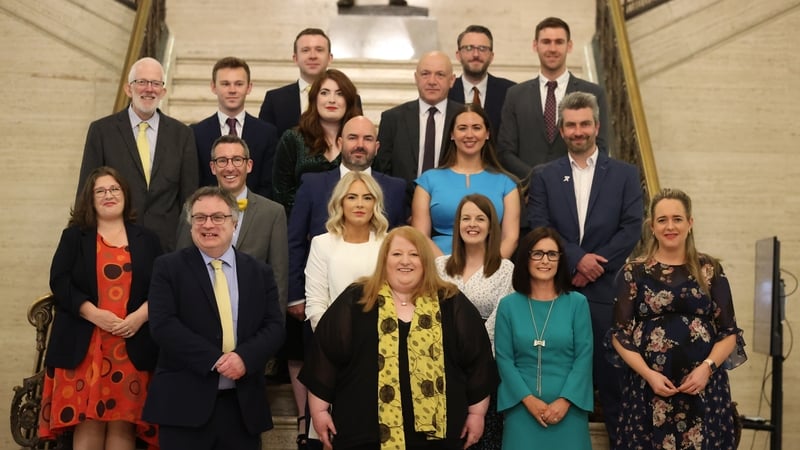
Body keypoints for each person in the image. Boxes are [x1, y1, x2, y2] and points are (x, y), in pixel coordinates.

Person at [299, 226, 497, 450]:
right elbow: (325, 355)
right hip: (363, 433)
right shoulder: (357, 299)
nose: (406, 261)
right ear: (384, 259)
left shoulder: (451, 301)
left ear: (426, 261)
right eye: (397, 254)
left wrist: (477, 413)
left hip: (439, 437)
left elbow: (478, 360)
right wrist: (319, 411)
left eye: (414, 255)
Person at [527, 91, 642, 447]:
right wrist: (577, 260)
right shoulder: (545, 175)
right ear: (561, 130)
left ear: (597, 126)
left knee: (612, 385)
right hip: (557, 290)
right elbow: (539, 225)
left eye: (585, 124)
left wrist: (593, 266)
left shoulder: (625, 174)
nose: (579, 131)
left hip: (606, 296)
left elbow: (631, 227)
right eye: (571, 125)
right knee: (558, 382)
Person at [143, 186, 285, 450]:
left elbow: (274, 326)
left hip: (242, 408)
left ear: (234, 223)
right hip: (184, 406)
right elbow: (163, 325)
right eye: (200, 218)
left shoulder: (258, 272)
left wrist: (244, 358)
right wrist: (214, 360)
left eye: (217, 217)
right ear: (190, 224)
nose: (208, 224)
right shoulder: (168, 268)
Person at [609, 188, 747, 449]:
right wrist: (648, 374)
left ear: (690, 223)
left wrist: (707, 368)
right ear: (652, 226)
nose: (670, 226)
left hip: (703, 389)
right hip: (647, 390)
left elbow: (729, 332)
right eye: (662, 220)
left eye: (677, 219)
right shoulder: (633, 272)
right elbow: (619, 333)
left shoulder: (710, 269)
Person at [40, 166, 162, 450]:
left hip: (131, 345)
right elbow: (60, 281)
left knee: (123, 426)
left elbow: (163, 287)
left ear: (125, 195)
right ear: (90, 199)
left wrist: (140, 317)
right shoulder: (74, 237)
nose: (109, 195)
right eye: (101, 191)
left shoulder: (148, 239)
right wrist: (93, 314)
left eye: (114, 189)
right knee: (88, 423)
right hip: (85, 345)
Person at [77, 56, 198, 252]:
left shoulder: (182, 134)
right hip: (114, 244)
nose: (149, 89)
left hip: (166, 248)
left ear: (163, 91)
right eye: (141, 82)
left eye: (155, 83)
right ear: (128, 89)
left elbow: (190, 198)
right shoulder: (102, 131)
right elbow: (86, 191)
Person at [494, 227, 594, 450]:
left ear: (560, 260)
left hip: (569, 408)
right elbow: (504, 359)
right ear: (525, 259)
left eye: (552, 254)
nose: (545, 260)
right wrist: (528, 400)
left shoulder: (577, 303)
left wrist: (565, 400)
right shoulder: (508, 306)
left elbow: (584, 357)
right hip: (522, 407)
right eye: (537, 253)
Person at [176, 134, 289, 313]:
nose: (230, 168)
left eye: (237, 160)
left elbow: (279, 277)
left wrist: (275, 328)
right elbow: (181, 265)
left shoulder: (273, 213)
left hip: (253, 314)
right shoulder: (193, 207)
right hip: (202, 310)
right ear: (213, 167)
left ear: (249, 165)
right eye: (222, 161)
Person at [435, 194, 513, 450]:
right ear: (457, 225)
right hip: (441, 365)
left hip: (485, 366)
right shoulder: (439, 267)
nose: (472, 224)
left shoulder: (505, 270)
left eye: (480, 218)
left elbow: (501, 319)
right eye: (466, 218)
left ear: (491, 225)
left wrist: (473, 354)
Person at [497, 17, 609, 180]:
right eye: (546, 42)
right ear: (535, 45)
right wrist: (536, 177)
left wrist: (565, 178)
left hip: (577, 191)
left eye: (559, 42)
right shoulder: (515, 95)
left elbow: (601, 148)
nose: (552, 48)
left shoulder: (593, 93)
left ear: (569, 46)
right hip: (529, 194)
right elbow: (505, 151)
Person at [412, 104, 520, 257]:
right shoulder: (428, 181)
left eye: (476, 128)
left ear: (487, 133)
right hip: (437, 269)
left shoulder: (506, 184)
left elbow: (511, 238)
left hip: (490, 270)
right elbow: (420, 235)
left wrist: (489, 273)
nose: (469, 134)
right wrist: (444, 269)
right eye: (462, 128)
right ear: (452, 134)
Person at [305, 171, 389, 330]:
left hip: (382, 334)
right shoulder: (322, 244)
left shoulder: (388, 243)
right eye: (352, 197)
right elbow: (316, 302)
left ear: (375, 204)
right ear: (340, 202)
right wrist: (331, 337)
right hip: (334, 334)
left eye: (367, 197)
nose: (360, 204)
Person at [272, 68, 362, 213]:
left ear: (349, 100)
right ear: (314, 99)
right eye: (324, 93)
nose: (331, 99)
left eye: (339, 94)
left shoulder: (361, 140)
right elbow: (280, 193)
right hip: (301, 226)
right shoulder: (293, 138)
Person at [372, 51, 461, 193]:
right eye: (425, 74)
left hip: (454, 208)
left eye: (440, 75)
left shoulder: (464, 117)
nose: (432, 81)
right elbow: (382, 173)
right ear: (416, 78)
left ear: (452, 80)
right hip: (403, 209)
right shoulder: (393, 119)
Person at [192, 56, 279, 198]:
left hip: (255, 215)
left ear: (249, 87)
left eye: (239, 84)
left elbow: (269, 183)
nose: (232, 90)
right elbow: (195, 182)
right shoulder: (196, 133)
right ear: (213, 87)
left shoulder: (267, 133)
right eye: (225, 84)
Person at [258, 28, 333, 138]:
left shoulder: (349, 98)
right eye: (305, 50)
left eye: (319, 50)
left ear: (330, 58)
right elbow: (265, 144)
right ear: (295, 58)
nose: (313, 56)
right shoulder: (274, 100)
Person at [449, 25, 516, 137]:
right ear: (458, 55)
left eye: (482, 49)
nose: (476, 54)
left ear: (491, 56)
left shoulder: (510, 92)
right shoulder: (446, 91)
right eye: (469, 48)